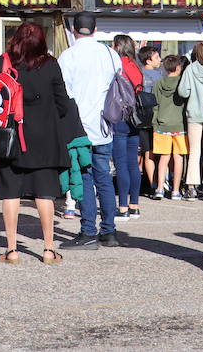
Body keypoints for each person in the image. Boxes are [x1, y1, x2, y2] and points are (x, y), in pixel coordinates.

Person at [0, 22, 78, 264]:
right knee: (44, 193)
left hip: (10, 137)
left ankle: (12, 250)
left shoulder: (1, 62)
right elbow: (63, 104)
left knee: (10, 194)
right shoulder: (50, 64)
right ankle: (48, 249)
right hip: (44, 138)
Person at [57, 13, 121, 248]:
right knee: (104, 177)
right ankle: (109, 230)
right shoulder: (110, 54)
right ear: (95, 30)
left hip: (79, 126)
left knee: (84, 178)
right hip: (105, 124)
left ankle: (87, 231)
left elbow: (64, 93)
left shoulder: (69, 56)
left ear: (74, 30)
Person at [177, 41, 203, 201]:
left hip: (194, 114)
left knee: (194, 151)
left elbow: (183, 91)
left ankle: (191, 188)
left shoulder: (190, 69)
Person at [111, 35, 145, 219]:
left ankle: (122, 206)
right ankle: (135, 205)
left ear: (118, 46)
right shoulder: (136, 66)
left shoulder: (118, 66)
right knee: (133, 162)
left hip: (120, 116)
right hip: (136, 118)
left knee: (120, 163)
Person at [151, 55, 187, 200]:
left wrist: (155, 123)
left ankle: (160, 188)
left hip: (162, 124)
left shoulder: (158, 84)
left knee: (163, 158)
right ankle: (176, 190)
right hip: (180, 124)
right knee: (178, 157)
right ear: (178, 67)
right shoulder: (182, 83)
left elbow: (155, 105)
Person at [138, 46, 163, 198]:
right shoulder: (158, 76)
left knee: (144, 152)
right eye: (157, 57)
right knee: (152, 153)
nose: (160, 59)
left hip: (139, 117)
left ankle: (148, 184)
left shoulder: (138, 73)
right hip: (154, 117)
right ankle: (154, 183)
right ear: (148, 60)